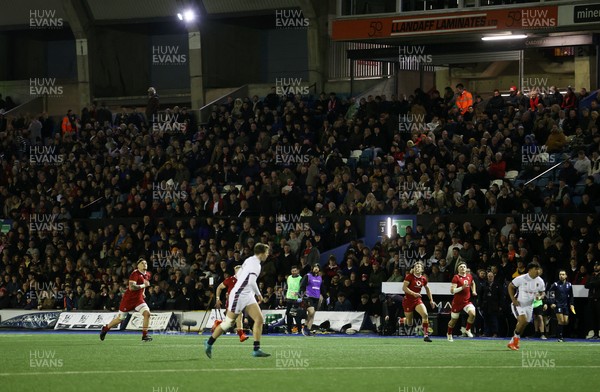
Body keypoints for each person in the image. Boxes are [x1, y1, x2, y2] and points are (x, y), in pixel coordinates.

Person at [204, 243, 271, 358]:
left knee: (259, 319)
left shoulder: (250, 260)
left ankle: (256, 349)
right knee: (228, 323)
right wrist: (259, 295)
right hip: (239, 295)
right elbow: (251, 282)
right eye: (267, 252)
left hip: (247, 294)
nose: (268, 254)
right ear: (262, 253)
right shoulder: (256, 265)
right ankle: (209, 343)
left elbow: (240, 274)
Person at [100, 258, 153, 342]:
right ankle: (105, 328)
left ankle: (144, 336)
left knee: (147, 314)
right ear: (138, 265)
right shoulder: (135, 274)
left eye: (145, 263)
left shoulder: (148, 274)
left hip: (138, 300)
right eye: (142, 263)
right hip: (128, 300)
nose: (144, 264)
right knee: (120, 319)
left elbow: (145, 283)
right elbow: (132, 287)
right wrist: (143, 286)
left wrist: (143, 292)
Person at [507, 261, 546, 351]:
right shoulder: (521, 278)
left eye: (538, 269)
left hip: (529, 305)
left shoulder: (540, 281)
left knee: (524, 323)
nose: (538, 271)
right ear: (530, 270)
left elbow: (542, 292)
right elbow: (510, 286)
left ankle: (513, 342)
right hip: (518, 304)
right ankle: (514, 342)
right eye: (536, 269)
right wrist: (513, 299)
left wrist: (540, 296)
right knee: (522, 320)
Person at [212, 265, 248, 342]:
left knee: (230, 323)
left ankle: (219, 323)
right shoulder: (230, 280)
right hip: (231, 302)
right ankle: (241, 335)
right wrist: (218, 299)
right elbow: (219, 288)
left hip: (240, 302)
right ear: (235, 272)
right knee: (239, 315)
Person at [402, 261, 436, 342]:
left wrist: (431, 300)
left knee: (425, 314)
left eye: (419, 267)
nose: (417, 268)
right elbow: (404, 288)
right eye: (415, 266)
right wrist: (413, 293)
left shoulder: (423, 279)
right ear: (413, 269)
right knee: (409, 322)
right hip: (408, 301)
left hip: (417, 300)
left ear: (422, 269)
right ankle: (400, 320)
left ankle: (426, 335)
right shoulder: (409, 277)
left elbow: (428, 290)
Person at [447, 261, 477, 341]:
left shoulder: (469, 276)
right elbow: (452, 291)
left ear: (466, 268)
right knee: (453, 320)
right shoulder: (456, 277)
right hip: (457, 303)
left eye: (464, 266)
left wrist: (473, 291)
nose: (463, 268)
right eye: (461, 267)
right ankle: (449, 333)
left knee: (473, 314)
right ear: (458, 269)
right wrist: (462, 288)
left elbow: (473, 283)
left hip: (466, 302)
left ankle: (467, 329)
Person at [547, 270, 575, 342]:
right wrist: (552, 303)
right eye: (560, 274)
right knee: (561, 321)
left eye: (563, 274)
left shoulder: (569, 285)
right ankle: (560, 337)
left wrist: (572, 304)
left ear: (566, 276)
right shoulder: (555, 284)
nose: (561, 276)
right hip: (558, 305)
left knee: (566, 322)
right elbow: (549, 294)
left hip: (565, 305)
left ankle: (560, 334)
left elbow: (571, 295)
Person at [300, 263, 324, 336]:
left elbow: (322, 288)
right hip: (309, 297)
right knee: (311, 311)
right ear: (312, 268)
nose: (316, 268)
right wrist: (302, 295)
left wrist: (325, 296)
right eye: (315, 267)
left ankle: (308, 329)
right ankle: (305, 327)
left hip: (316, 298)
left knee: (313, 314)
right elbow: (302, 286)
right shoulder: (308, 276)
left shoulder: (320, 278)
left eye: (317, 267)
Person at [285, 265, 303, 334]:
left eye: (295, 271)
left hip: (296, 299)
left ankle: (299, 329)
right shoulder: (289, 277)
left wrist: (300, 297)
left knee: (296, 315)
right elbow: (287, 287)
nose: (294, 272)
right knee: (288, 314)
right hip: (289, 298)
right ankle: (289, 330)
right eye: (292, 271)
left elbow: (302, 288)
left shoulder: (300, 278)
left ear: (298, 271)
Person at [584, 261, 600, 339]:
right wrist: (594, 284)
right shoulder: (591, 275)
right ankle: (596, 334)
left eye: (598, 265)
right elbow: (586, 285)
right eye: (595, 265)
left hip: (599, 299)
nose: (596, 267)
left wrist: (592, 284)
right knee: (593, 317)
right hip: (591, 299)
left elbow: (598, 283)